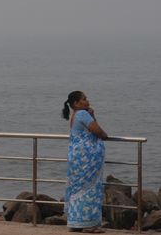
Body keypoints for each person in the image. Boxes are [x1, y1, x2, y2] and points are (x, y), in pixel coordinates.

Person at [63, 91, 108, 233]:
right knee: (90, 188)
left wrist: (92, 115)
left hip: (76, 157)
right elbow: (99, 132)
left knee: (77, 188)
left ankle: (76, 223)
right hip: (86, 158)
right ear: (76, 103)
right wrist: (103, 133)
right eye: (84, 99)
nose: (87, 100)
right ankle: (89, 225)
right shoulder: (83, 114)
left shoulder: (75, 115)